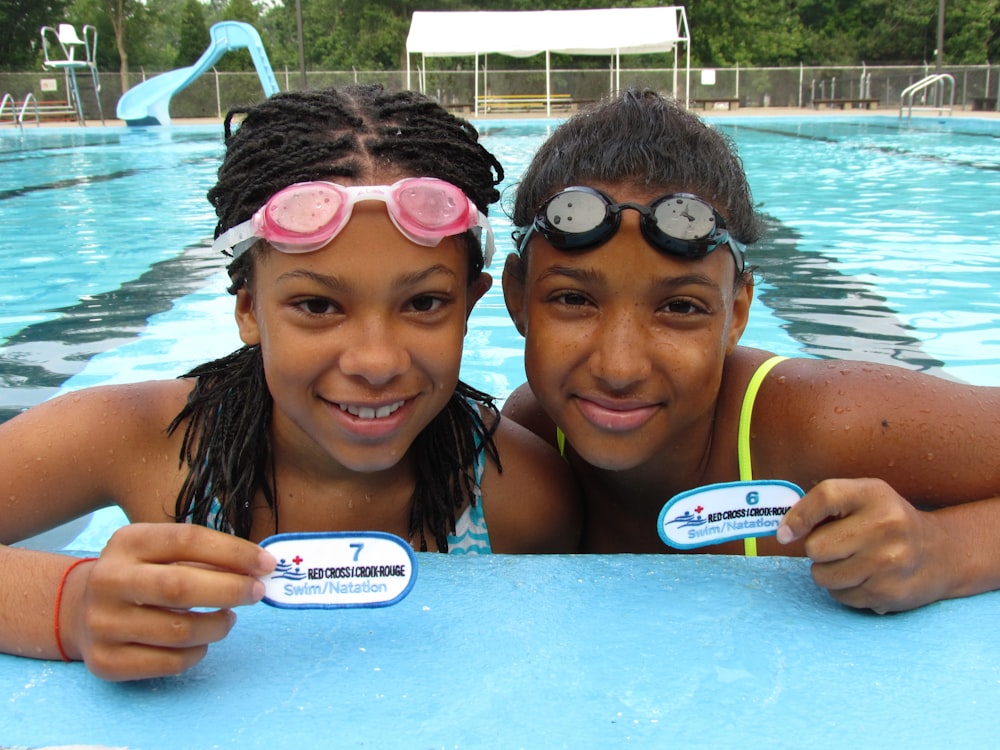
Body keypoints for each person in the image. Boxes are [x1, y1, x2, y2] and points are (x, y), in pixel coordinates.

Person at [0, 85, 580, 681]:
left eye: (424, 302)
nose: (375, 361)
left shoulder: (521, 495)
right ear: (249, 308)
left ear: (468, 305)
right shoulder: (145, 441)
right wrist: (72, 605)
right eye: (318, 305)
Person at [501, 87, 1000, 614]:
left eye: (681, 308)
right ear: (518, 298)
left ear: (737, 312)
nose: (619, 368)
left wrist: (944, 550)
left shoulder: (819, 420)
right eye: (574, 299)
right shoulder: (533, 437)